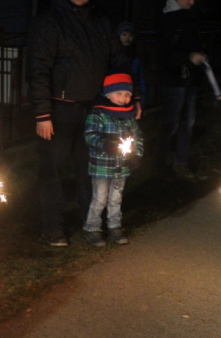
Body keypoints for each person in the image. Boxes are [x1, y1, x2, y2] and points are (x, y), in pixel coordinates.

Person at [26, 0, 131, 247]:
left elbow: (119, 60)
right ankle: (53, 227)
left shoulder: (100, 20)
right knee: (53, 170)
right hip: (58, 110)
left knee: (90, 169)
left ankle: (90, 220)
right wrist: (43, 113)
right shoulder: (50, 20)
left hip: (94, 109)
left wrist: (131, 95)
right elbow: (38, 68)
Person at [83, 72, 144, 247]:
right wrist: (104, 144)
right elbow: (89, 135)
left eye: (127, 94)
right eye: (119, 94)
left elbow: (137, 136)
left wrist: (136, 155)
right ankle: (93, 228)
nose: (124, 98)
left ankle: (115, 226)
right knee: (100, 198)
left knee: (116, 199)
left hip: (121, 167)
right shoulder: (98, 113)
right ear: (108, 94)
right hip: (102, 166)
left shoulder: (129, 115)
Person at [155, 0, 206, 179]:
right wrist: (188, 57)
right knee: (171, 123)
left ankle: (180, 162)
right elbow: (163, 52)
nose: (191, 2)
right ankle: (160, 165)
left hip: (190, 79)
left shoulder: (192, 16)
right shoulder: (168, 19)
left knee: (188, 123)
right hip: (174, 79)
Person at [117, 21, 148, 108]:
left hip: (132, 95)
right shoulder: (113, 55)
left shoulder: (136, 57)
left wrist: (141, 99)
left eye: (130, 35)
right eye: (124, 34)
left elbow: (141, 79)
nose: (128, 38)